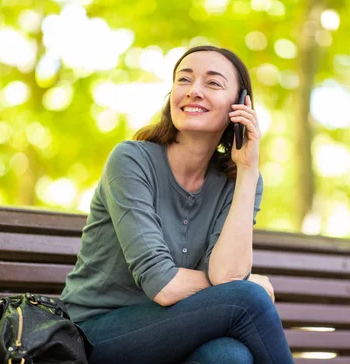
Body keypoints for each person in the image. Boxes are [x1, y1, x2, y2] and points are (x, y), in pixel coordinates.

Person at [60, 45, 294, 364]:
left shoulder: (238, 181)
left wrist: (248, 170)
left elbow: (227, 276)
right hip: (95, 335)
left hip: (177, 329)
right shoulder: (131, 161)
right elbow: (165, 285)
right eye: (184, 80)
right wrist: (248, 284)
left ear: (239, 106)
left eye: (212, 83)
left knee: (229, 356)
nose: (193, 91)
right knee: (247, 297)